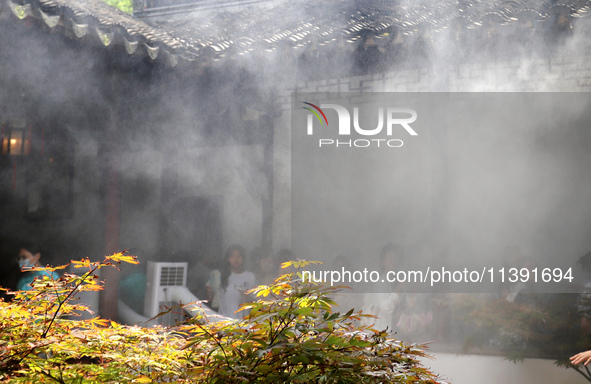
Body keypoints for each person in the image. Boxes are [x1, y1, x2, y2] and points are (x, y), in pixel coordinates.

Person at [217, 245, 256, 319]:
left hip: (241, 322)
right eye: (232, 256)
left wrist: (246, 296)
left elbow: (254, 302)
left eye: (239, 256)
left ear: (243, 258)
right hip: (222, 321)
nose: (236, 259)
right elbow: (211, 297)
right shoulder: (220, 275)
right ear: (228, 258)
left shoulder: (250, 276)